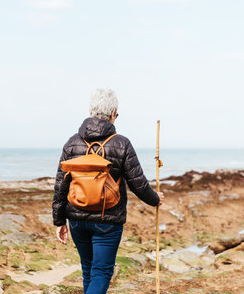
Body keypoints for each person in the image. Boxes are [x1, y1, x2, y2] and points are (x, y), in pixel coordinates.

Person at [52, 88, 164, 294]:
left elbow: (61, 185)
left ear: (90, 110)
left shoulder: (72, 143)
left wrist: (59, 221)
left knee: (88, 270)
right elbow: (137, 183)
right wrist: (155, 198)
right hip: (107, 220)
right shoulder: (121, 144)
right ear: (113, 113)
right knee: (102, 272)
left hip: (77, 218)